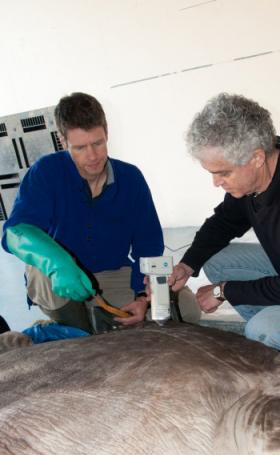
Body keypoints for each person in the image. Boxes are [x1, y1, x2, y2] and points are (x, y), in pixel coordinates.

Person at [169, 93, 280, 350]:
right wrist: (187, 264)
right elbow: (224, 223)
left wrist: (223, 291)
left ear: (257, 158)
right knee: (215, 258)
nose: (216, 182)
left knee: (261, 331)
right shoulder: (254, 182)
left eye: (223, 173)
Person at [1, 92, 164, 332]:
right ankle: (77, 330)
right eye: (79, 147)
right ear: (62, 141)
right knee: (40, 272)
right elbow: (15, 233)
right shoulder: (46, 172)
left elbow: (148, 245)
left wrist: (142, 297)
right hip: (59, 278)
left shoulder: (131, 178)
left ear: (106, 133)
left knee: (183, 306)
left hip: (111, 273)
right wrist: (58, 263)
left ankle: (82, 327)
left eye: (98, 143)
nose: (92, 156)